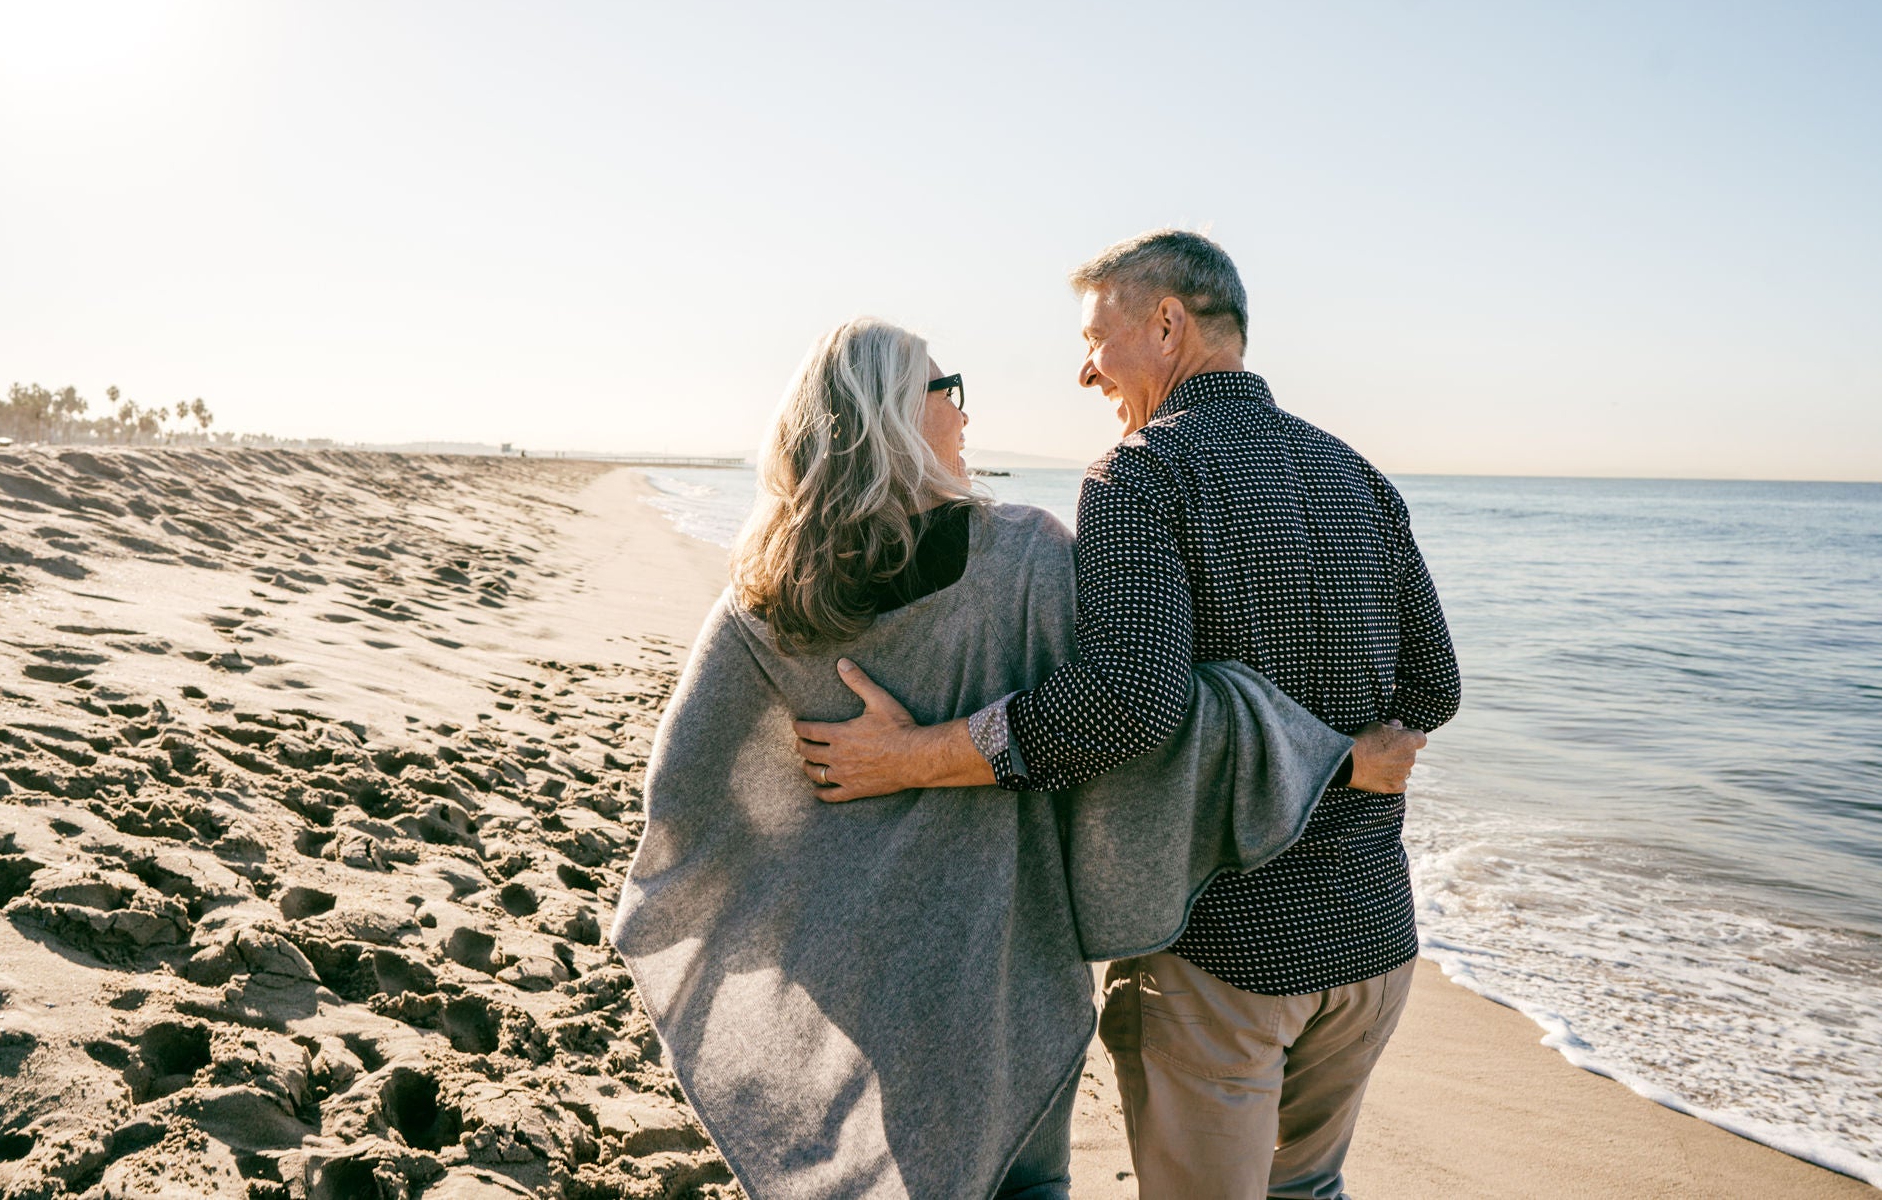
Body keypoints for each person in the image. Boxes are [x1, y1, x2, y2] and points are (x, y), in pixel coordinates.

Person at [612, 317, 1424, 1200]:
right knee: (1026, 1181)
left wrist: (791, 893)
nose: (962, 415)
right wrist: (1337, 758)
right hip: (1009, 951)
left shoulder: (768, 588)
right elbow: (1152, 717)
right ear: (894, 415)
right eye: (945, 390)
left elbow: (687, 796)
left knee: (907, 1168)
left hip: (856, 953)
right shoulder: (1027, 559)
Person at [795, 232, 1461, 1200]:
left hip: (1221, 940)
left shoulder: (1143, 471)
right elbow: (1432, 690)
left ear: (1165, 323)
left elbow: (1124, 703)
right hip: (1371, 935)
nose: (1081, 370)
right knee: (1308, 1192)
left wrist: (910, 757)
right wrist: (1339, 752)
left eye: (1094, 339)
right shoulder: (1355, 473)